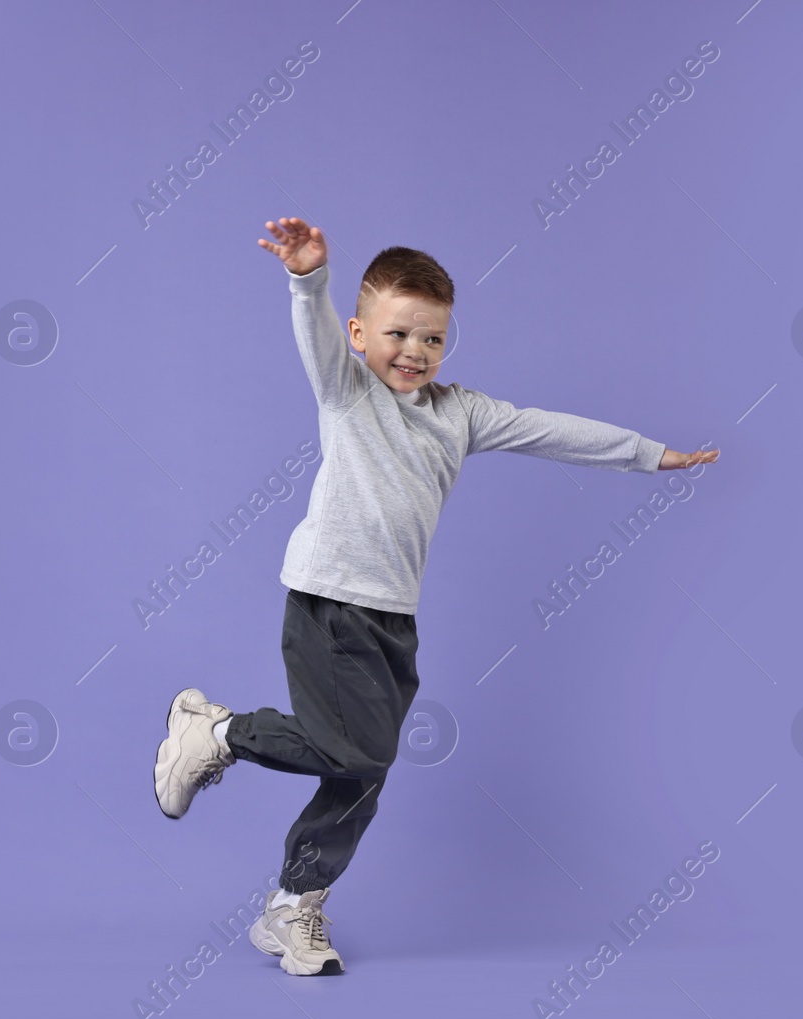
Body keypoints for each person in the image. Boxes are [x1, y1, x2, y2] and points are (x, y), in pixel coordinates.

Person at [153, 217, 719, 976]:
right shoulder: (346, 393)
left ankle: (293, 906)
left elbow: (549, 429)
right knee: (354, 748)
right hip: (328, 601)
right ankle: (216, 731)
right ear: (359, 334)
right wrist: (308, 278)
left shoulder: (460, 413)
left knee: (365, 772)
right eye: (398, 334)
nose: (415, 352)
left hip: (393, 618)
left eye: (433, 339)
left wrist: (651, 455)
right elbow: (315, 337)